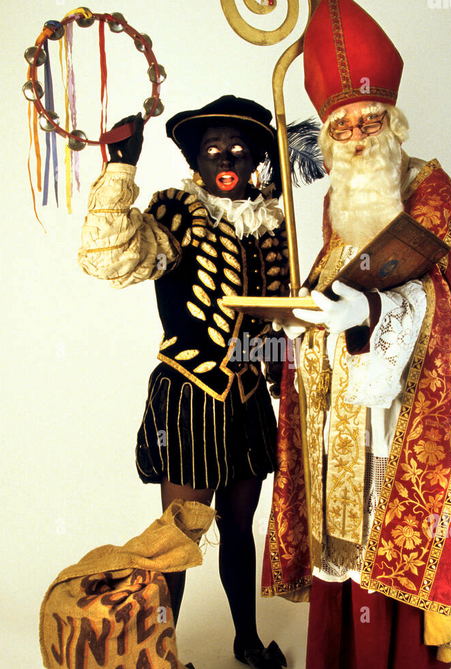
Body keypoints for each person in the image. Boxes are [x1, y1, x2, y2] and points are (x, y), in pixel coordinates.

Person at [262, 1, 451, 668]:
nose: (354, 136)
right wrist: (306, 322)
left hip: (407, 418)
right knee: (342, 552)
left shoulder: (432, 195)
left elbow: (446, 301)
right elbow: (330, 284)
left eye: (367, 121)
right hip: (340, 422)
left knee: (396, 552)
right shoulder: (334, 204)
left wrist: (372, 316)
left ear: (393, 125)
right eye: (341, 126)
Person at [78, 95, 289, 669]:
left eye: (239, 148)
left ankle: (246, 641)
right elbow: (108, 258)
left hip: (248, 400)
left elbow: (271, 326)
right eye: (213, 147)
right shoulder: (179, 214)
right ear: (196, 158)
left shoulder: (273, 226)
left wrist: (281, 369)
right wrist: (121, 168)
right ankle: (163, 654)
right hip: (190, 397)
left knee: (240, 528)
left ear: (255, 161)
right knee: (179, 536)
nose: (227, 155)